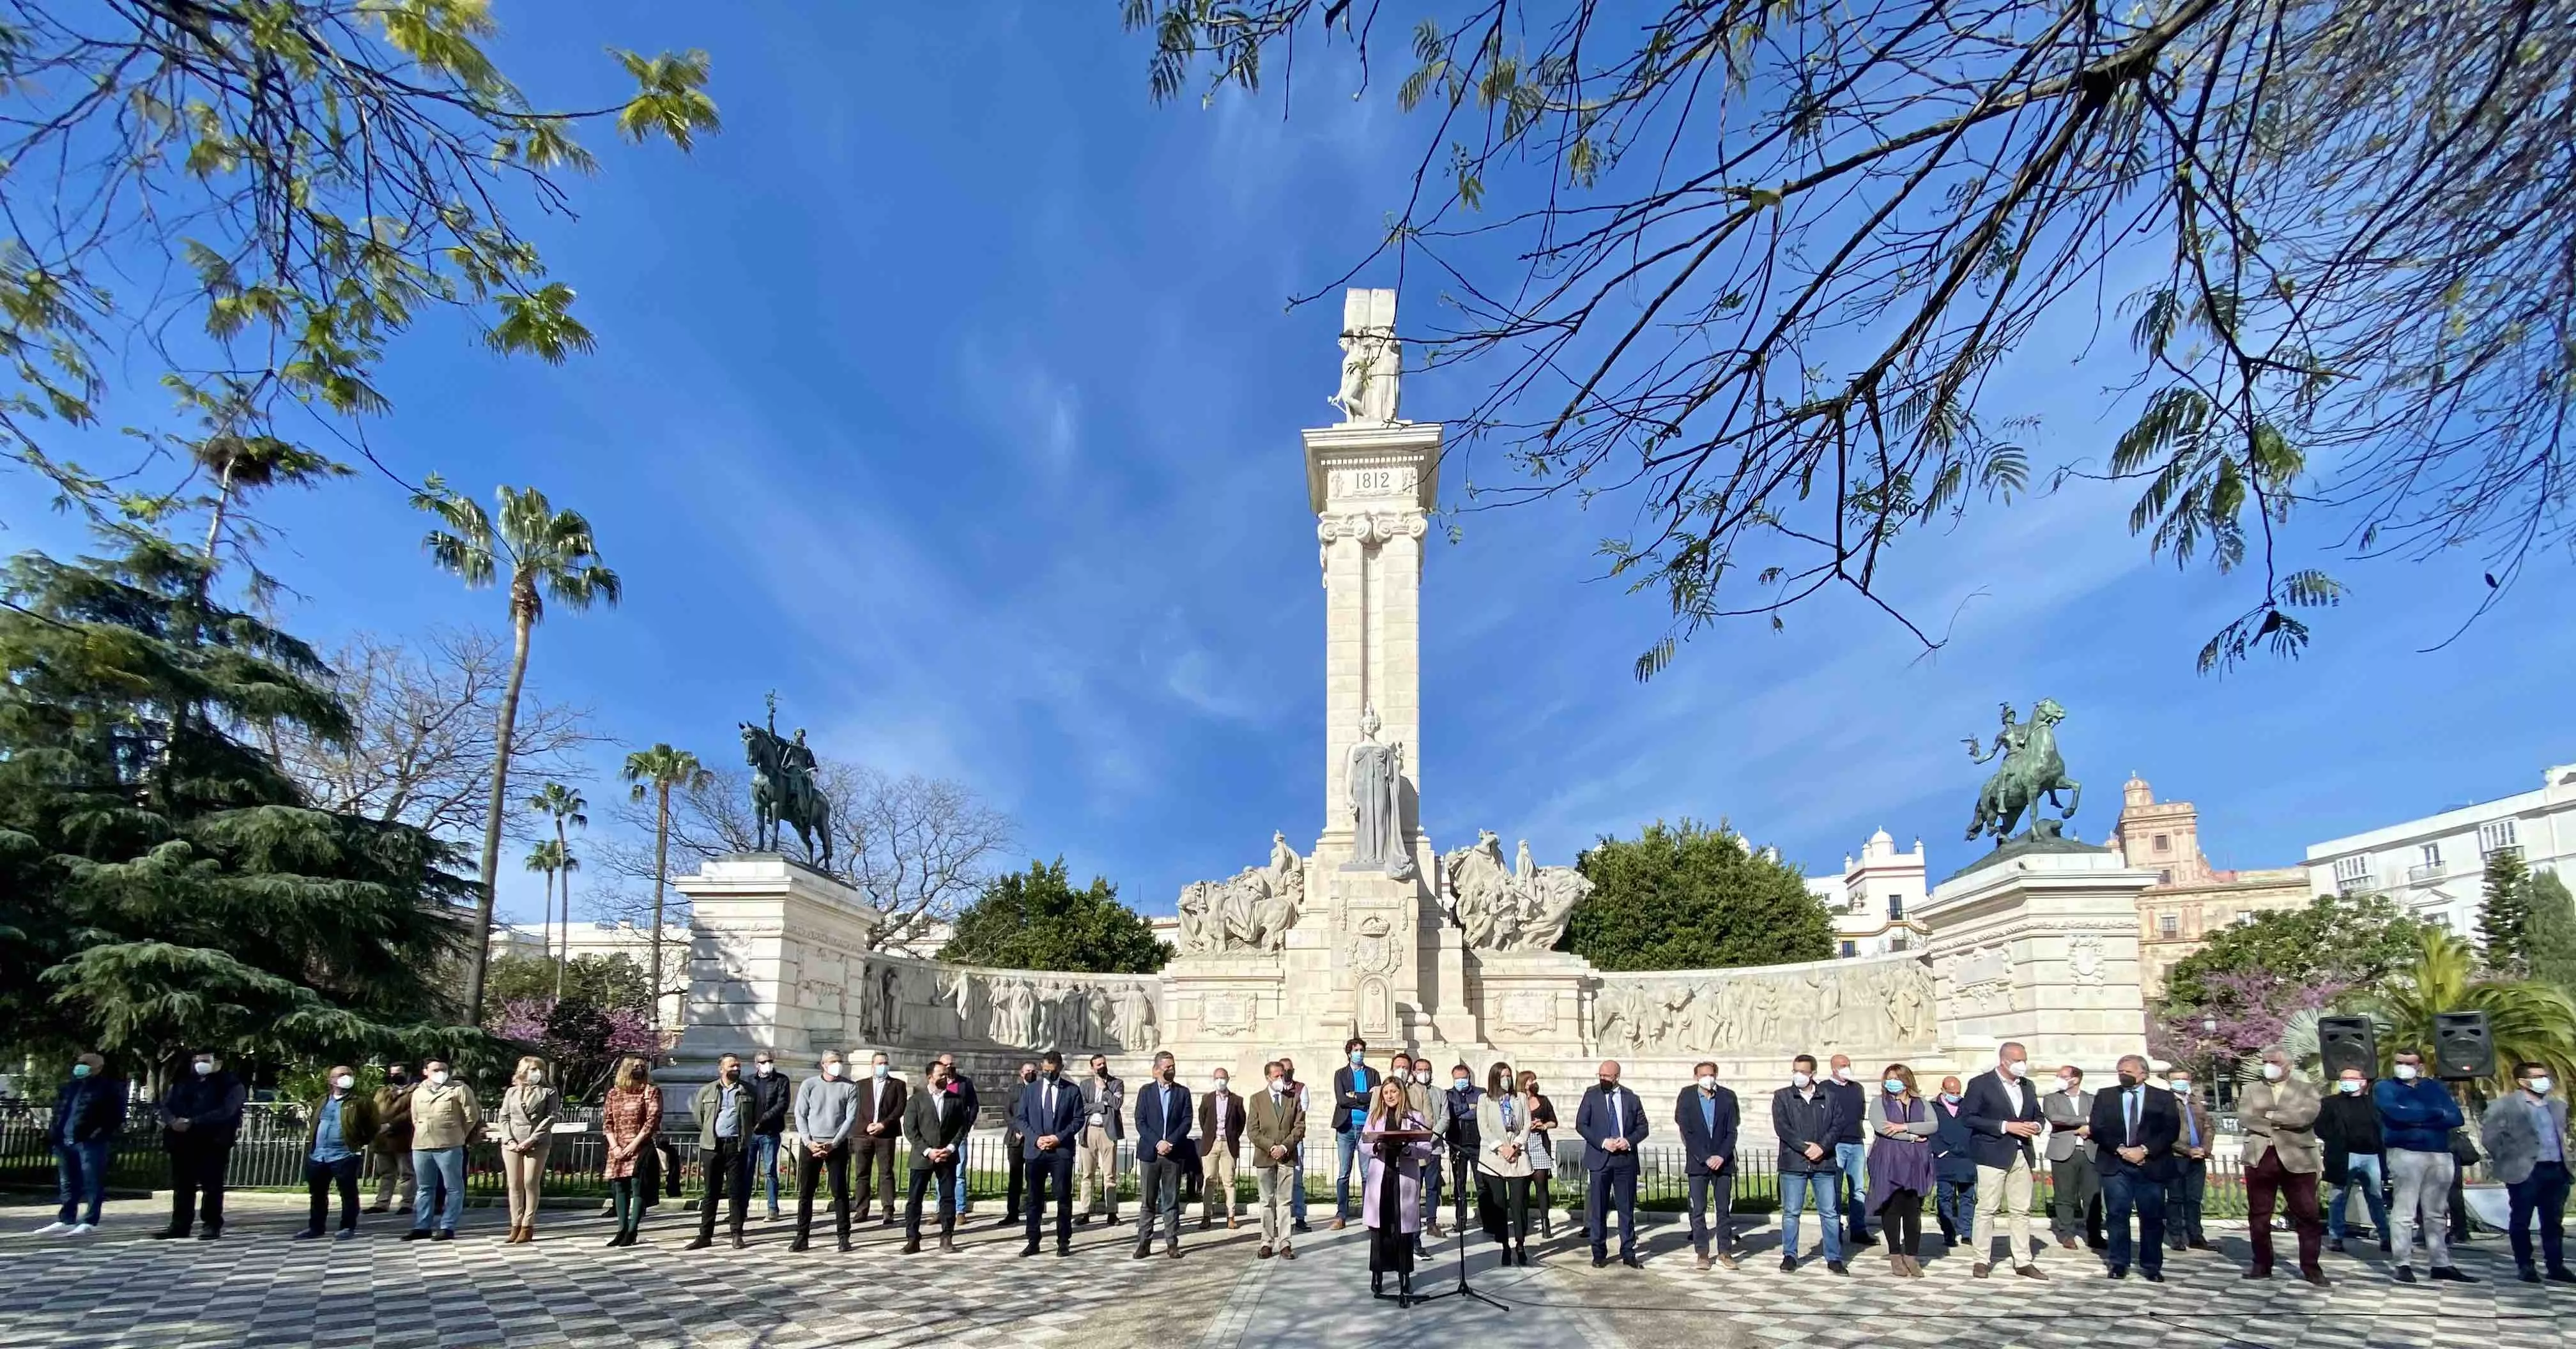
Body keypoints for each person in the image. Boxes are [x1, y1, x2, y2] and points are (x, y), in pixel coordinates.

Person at [2375, 1048, 2474, 1284]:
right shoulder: (2384, 1087)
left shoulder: (2434, 1087)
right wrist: (2434, 1114)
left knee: (2437, 1212)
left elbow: (2456, 1118)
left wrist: (2417, 1116)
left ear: (2419, 1065)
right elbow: (2395, 1114)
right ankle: (2402, 1263)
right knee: (2405, 1210)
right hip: (2405, 1153)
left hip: (2440, 1154)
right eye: (2399, 1062)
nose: (2403, 1066)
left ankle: (2440, 1263)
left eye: (2409, 1063)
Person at [2240, 1045, 2327, 1285]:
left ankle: (2311, 1267)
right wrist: (2281, 1118)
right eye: (2266, 1061)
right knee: (2259, 1214)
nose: (2268, 1065)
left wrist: (2268, 1116)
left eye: (2274, 1062)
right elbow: (2246, 1117)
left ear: (2288, 1065)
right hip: (2261, 1156)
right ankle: (2262, 1264)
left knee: (2308, 1215)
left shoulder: (2307, 1090)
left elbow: (2305, 1118)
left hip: (2298, 1158)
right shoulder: (2251, 1089)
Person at [1959, 1040, 2048, 1279]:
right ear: (2004, 1060)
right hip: (1992, 1153)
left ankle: (2023, 1260)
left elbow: (2038, 1114)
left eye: (2024, 1060)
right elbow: (1968, 1117)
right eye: (2018, 1061)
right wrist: (2005, 1126)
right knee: (1987, 1208)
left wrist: (2037, 1125)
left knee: (2021, 1210)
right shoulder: (1981, 1084)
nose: (2023, 1065)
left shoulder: (2028, 1086)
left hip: (2022, 1152)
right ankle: (1981, 1259)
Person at [2481, 1060, 2573, 1284]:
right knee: (2521, 1220)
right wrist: (2510, 1159)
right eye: (2538, 1077)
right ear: (2523, 1081)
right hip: (2525, 1171)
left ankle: (2556, 1266)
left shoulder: (2557, 1106)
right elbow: (2490, 1139)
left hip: (2556, 1169)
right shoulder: (2504, 1106)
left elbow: (2563, 1135)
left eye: (2545, 1076)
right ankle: (2525, 1266)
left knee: (2553, 1221)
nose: (2544, 1081)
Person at [2088, 1053, 2177, 1282]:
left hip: (2150, 1165)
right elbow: (2098, 1128)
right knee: (2117, 1215)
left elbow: (2170, 1131)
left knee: (2152, 1217)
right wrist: (2121, 1150)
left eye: (2128, 1071)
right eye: (2120, 1071)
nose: (2123, 1075)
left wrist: (2145, 1150)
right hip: (2116, 1163)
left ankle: (2151, 1265)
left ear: (2143, 1073)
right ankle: (2118, 1262)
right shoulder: (2106, 1096)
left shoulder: (2163, 1098)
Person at [155, 1049, 245, 1240]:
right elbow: (166, 1105)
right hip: (182, 1141)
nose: (199, 1064)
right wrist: (172, 1121)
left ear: (217, 1062)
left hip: (213, 1141)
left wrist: (193, 1122)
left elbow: (227, 1111)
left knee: (211, 1185)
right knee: (182, 1186)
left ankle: (211, 1224)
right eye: (196, 1061)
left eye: (205, 1060)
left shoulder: (229, 1084)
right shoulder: (184, 1082)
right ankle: (180, 1225)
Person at [1360, 1078, 1436, 1305]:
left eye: (1394, 1092)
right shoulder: (1375, 1116)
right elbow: (1363, 1144)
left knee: (1403, 1232)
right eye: (1386, 1093)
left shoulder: (1414, 1117)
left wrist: (1409, 1150)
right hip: (1382, 1177)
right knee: (1380, 1229)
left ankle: (1405, 1277)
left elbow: (1426, 1148)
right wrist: (1376, 1146)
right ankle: (1378, 1274)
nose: (1390, 1096)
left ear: (1401, 1093)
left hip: (1404, 1176)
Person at [1772, 1053, 1846, 1274]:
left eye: (1803, 1072)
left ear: (1813, 1073)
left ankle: (1834, 1257)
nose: (1798, 1075)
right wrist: (1805, 1148)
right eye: (1795, 1071)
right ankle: (1790, 1255)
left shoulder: (1829, 1096)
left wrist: (1822, 1148)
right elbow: (1783, 1128)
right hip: (1793, 1163)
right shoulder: (1783, 1096)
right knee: (1791, 1212)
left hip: (1823, 1163)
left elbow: (1838, 1125)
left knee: (1830, 1213)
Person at [37, 1053, 123, 1236]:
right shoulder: (69, 1087)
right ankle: (67, 1218)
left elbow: (115, 1116)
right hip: (64, 1140)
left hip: (89, 1142)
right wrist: (54, 1133)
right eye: (79, 1062)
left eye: (85, 1063)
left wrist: (96, 1134)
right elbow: (59, 1111)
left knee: (92, 1181)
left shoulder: (108, 1088)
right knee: (67, 1182)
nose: (80, 1066)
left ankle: (90, 1220)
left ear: (98, 1067)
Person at [1866, 1064, 1938, 1277]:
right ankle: (1895, 1255)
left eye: (1896, 1078)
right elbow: (1883, 1128)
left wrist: (1905, 1127)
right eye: (1888, 1078)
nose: (1891, 1082)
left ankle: (1912, 1256)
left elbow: (1933, 1125)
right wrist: (1912, 1136)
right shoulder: (1880, 1103)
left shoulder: (1921, 1103)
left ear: (1906, 1081)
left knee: (1913, 1210)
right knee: (1892, 1207)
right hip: (1890, 1160)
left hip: (1916, 1162)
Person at [1577, 1058, 1648, 1269]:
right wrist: (1602, 1142)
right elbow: (1581, 1124)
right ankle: (1598, 1252)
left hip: (1624, 1160)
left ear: (1616, 1077)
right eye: (1600, 1076)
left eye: (1606, 1076)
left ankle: (1628, 1251)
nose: (1602, 1079)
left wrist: (1628, 1141)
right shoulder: (1591, 1095)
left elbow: (1643, 1127)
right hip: (1600, 1159)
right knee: (1598, 1209)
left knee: (1626, 1209)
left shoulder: (1631, 1098)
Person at [400, 1057, 480, 1244]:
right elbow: (415, 1117)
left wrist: (459, 1135)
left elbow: (471, 1116)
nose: (441, 1072)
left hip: (449, 1144)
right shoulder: (418, 1091)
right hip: (422, 1144)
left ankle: (447, 1226)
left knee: (453, 1187)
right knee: (425, 1187)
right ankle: (422, 1226)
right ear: (425, 1072)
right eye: (436, 1069)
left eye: (444, 1069)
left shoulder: (459, 1089)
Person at [1016, 1049, 1084, 1257]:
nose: (1048, 1075)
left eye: (1052, 1072)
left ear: (1061, 1069)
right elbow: (1021, 1118)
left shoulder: (1071, 1091)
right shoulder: (1031, 1090)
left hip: (1060, 1151)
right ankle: (1033, 1240)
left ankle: (1063, 1241)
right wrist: (1036, 1138)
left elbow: (1078, 1120)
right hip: (1036, 1151)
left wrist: (1058, 1138)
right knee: (1034, 1199)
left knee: (1063, 1197)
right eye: (1045, 1071)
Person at [297, 1065, 378, 1241]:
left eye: (349, 1074)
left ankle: (347, 1227)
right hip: (318, 1155)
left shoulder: (361, 1102)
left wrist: (359, 1143)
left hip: (344, 1155)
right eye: (341, 1075)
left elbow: (373, 1126)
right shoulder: (322, 1100)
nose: (346, 1077)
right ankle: (316, 1227)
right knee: (317, 1194)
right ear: (331, 1080)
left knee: (348, 1193)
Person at [2318, 1063, 2391, 1254]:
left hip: (2371, 1156)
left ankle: (2385, 1236)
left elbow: (2382, 1128)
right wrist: (2336, 1140)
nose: (2346, 1083)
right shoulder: (2330, 1103)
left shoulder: (2374, 1104)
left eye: (2351, 1080)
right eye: (2344, 1080)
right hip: (2344, 1156)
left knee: (2375, 1198)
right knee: (2338, 1198)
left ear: (2363, 1082)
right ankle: (2336, 1237)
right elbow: (2320, 1127)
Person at [790, 1049, 859, 1252]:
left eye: (839, 1061)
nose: (837, 1064)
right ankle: (802, 1236)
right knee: (806, 1193)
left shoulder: (850, 1086)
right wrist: (808, 1141)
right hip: (811, 1145)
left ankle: (844, 1236)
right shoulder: (809, 1085)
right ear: (823, 1064)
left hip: (836, 1146)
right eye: (832, 1061)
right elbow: (800, 1114)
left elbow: (851, 1118)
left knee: (840, 1192)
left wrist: (835, 1143)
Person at [1673, 1060, 1739, 1271]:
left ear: (1716, 1074)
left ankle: (1725, 1252)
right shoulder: (1687, 1096)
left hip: (1723, 1162)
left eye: (1711, 1074)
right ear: (1696, 1077)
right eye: (1703, 1075)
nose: (1707, 1078)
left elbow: (1732, 1131)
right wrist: (1704, 1157)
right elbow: (1686, 1131)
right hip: (1698, 1162)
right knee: (1698, 1210)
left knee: (1723, 1210)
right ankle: (1702, 1253)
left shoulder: (1728, 1097)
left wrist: (1721, 1155)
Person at [903, 1056, 972, 1253]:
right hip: (922, 1157)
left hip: (947, 1156)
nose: (945, 1077)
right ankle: (913, 1238)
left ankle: (947, 1236)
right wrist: (928, 1151)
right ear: (930, 1077)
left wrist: (950, 1148)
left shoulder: (955, 1100)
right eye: (941, 1074)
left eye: (946, 1074)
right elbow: (910, 1129)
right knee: (915, 1199)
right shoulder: (916, 1100)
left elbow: (961, 1127)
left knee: (948, 1198)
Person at [1133, 1049, 1196, 1259]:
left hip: (1173, 1153)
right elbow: (1140, 1121)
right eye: (1167, 1067)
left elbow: (1187, 1121)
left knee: (1171, 1201)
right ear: (1158, 1069)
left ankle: (1172, 1242)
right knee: (1148, 1201)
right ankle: (1144, 1242)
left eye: (1173, 1066)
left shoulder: (1182, 1093)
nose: (1171, 1070)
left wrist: (1170, 1142)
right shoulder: (1146, 1091)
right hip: (1150, 1154)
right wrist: (1157, 1142)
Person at [689, 1055, 755, 1251]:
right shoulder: (708, 1090)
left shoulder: (747, 1090)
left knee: (736, 1192)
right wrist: (712, 1132)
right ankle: (705, 1235)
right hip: (712, 1146)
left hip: (736, 1146)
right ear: (721, 1069)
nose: (736, 1069)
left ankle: (737, 1233)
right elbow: (699, 1116)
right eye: (732, 1066)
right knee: (711, 1192)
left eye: (738, 1066)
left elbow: (755, 1115)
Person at [1473, 1060, 1536, 1265]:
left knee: (1518, 1204)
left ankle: (1520, 1243)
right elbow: (1484, 1128)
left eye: (1509, 1075)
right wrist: (1502, 1148)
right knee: (1499, 1204)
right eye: (1502, 1076)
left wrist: (1516, 1146)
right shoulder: (1484, 1099)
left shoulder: (1521, 1098)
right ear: (1494, 1078)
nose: (1506, 1080)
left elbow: (1526, 1124)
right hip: (1494, 1158)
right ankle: (1504, 1246)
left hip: (1517, 1156)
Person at [497, 1056, 562, 1245]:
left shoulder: (549, 1092)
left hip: (536, 1142)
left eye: (540, 1070)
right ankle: (515, 1224)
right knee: (514, 1184)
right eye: (533, 1069)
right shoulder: (511, 1092)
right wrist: (508, 1139)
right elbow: (504, 1117)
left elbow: (550, 1118)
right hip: (512, 1142)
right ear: (523, 1070)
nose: (537, 1073)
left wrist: (532, 1139)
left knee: (529, 1182)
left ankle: (528, 1224)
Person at [599, 1055, 662, 1247]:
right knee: (620, 1187)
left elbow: (652, 1121)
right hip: (617, 1147)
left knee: (638, 1187)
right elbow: (608, 1122)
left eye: (643, 1067)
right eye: (636, 1067)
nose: (640, 1070)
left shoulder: (651, 1092)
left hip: (640, 1146)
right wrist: (615, 1146)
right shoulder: (614, 1093)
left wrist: (633, 1145)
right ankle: (621, 1228)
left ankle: (632, 1230)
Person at [1247, 1058, 1307, 1259]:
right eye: (1277, 1076)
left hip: (1287, 1156)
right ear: (1268, 1078)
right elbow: (1253, 1131)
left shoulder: (1294, 1098)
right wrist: (1271, 1146)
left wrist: (1284, 1147)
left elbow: (1299, 1127)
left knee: (1284, 1202)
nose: (1281, 1079)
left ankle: (1285, 1243)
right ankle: (1266, 1242)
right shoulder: (1257, 1099)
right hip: (1265, 1157)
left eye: (1283, 1075)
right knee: (1266, 1201)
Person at [2042, 1063, 2103, 1251]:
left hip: (2090, 1152)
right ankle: (2067, 1233)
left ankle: (2094, 1235)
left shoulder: (2092, 1099)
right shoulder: (2051, 1098)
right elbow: (2055, 1118)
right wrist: (2084, 1122)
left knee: (2092, 1197)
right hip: (2063, 1152)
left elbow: (2101, 1119)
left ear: (2075, 1079)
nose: (2058, 1078)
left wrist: (2090, 1128)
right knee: (2064, 1195)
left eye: (2062, 1076)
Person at [1824, 1053, 1874, 1247]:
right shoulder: (1825, 1088)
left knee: (1858, 1189)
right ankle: (1833, 1230)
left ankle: (1859, 1229)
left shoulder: (1857, 1088)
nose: (1847, 1068)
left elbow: (1860, 1112)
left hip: (1855, 1141)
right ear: (1834, 1068)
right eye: (1843, 1065)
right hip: (1835, 1144)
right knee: (1833, 1188)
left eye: (1848, 1065)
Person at [2163, 1067, 2216, 1253]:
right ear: (2169, 1081)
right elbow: (2164, 1132)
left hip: (2198, 1158)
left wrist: (2205, 1149)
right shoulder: (2165, 1102)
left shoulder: (2195, 1102)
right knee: (2176, 1198)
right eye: (2176, 1079)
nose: (2181, 1082)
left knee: (2194, 1199)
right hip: (2176, 1157)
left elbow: (2209, 1126)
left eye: (2184, 1079)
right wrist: (2187, 1150)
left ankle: (2196, 1236)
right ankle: (2176, 1236)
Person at [852, 1050, 907, 1228]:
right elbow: (855, 1108)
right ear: (872, 1065)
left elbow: (899, 1108)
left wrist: (884, 1124)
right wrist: (866, 1125)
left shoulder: (897, 1084)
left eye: (885, 1063)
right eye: (879, 1063)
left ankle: (888, 1210)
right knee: (862, 1173)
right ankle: (861, 1209)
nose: (882, 1066)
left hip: (886, 1134)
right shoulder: (860, 1085)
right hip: (863, 1134)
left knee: (886, 1172)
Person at [1331, 1037, 1377, 1228]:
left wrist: (1356, 1096)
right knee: (1344, 1173)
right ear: (1349, 1053)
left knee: (1367, 1174)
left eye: (1362, 1050)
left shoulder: (1373, 1073)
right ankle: (1341, 1215)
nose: (1360, 1053)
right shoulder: (1340, 1074)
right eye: (1356, 1050)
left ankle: (1369, 1215)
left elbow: (1376, 1098)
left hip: (1367, 1127)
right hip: (1346, 1127)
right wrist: (1364, 1098)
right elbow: (1342, 1099)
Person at [1077, 1052, 1126, 1227]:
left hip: (1108, 1132)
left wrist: (1105, 1090)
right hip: (1089, 1130)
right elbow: (1081, 1108)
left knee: (1110, 1174)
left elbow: (1117, 1104)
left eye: (1104, 1063)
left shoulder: (1116, 1083)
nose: (1102, 1066)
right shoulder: (1084, 1085)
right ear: (1092, 1068)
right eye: (1098, 1065)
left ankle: (1112, 1212)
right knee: (1087, 1174)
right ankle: (1085, 1212)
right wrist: (1102, 1106)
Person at [1929, 1075, 1977, 1249]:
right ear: (1943, 1090)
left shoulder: (1967, 1106)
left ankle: (1967, 1232)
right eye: (1951, 1092)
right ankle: (1948, 1233)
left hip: (1966, 1158)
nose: (1955, 1095)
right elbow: (1930, 1130)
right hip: (1945, 1158)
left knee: (1968, 1196)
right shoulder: (1933, 1107)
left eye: (1958, 1092)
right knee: (1945, 1196)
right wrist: (1941, 1151)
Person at [747, 1049, 793, 1221]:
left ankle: (773, 1208)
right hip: (751, 1133)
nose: (768, 1064)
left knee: (770, 1172)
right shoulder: (750, 1081)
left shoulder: (781, 1080)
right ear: (756, 1064)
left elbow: (782, 1105)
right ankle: (740, 1209)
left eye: (770, 1061)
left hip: (770, 1132)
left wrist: (762, 1120)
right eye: (764, 1061)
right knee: (746, 1171)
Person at [365, 1062, 415, 1214]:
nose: (395, 1077)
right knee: (386, 1173)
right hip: (382, 1139)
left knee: (406, 1173)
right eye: (392, 1074)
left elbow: (412, 1112)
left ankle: (406, 1203)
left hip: (403, 1138)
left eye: (398, 1073)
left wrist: (391, 1124)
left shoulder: (415, 1092)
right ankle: (382, 1203)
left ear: (407, 1074)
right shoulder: (383, 1091)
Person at [1199, 1064, 1244, 1230]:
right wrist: (1211, 1135)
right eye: (1217, 1078)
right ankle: (1206, 1215)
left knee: (1229, 1181)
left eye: (1223, 1078)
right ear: (1213, 1080)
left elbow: (1241, 1123)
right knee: (1209, 1179)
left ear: (1228, 1079)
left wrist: (1231, 1136)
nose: (1220, 1081)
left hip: (1229, 1144)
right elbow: (1203, 1119)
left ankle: (1231, 1216)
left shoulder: (1237, 1100)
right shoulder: (1207, 1099)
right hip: (1211, 1144)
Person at [1443, 1061, 1482, 1245]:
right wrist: (1467, 1108)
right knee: (1459, 1185)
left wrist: (1464, 1112)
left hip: (1477, 1143)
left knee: (1482, 1183)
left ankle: (1486, 1218)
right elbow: (1449, 1114)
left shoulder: (1480, 1093)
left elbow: (1480, 1113)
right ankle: (1461, 1220)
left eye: (1463, 1078)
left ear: (1469, 1078)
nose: (1461, 1082)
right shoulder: (1448, 1095)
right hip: (1456, 1144)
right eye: (1457, 1079)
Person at [935, 1051, 977, 1218]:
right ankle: (941, 1209)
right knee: (940, 1173)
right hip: (940, 1135)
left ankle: (960, 1210)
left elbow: (974, 1105)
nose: (949, 1068)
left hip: (959, 1134)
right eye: (945, 1065)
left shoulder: (964, 1083)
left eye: (951, 1065)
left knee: (959, 1173)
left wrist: (967, 1125)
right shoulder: (938, 1085)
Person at [1520, 1069, 1558, 1238]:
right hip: (1522, 1145)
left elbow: (1553, 1121)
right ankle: (1524, 1223)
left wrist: (1542, 1125)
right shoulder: (1517, 1100)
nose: (1533, 1083)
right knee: (1523, 1188)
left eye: (1534, 1080)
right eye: (1530, 1080)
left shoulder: (1543, 1100)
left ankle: (1545, 1222)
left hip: (1539, 1144)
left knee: (1541, 1186)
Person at [1278, 1055, 1312, 1233]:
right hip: (1278, 1142)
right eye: (1284, 1070)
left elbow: (1301, 1113)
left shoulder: (1301, 1088)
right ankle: (1280, 1219)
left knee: (1297, 1180)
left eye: (1290, 1070)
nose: (1288, 1073)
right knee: (1279, 1181)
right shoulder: (1274, 1090)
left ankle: (1300, 1217)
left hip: (1295, 1140)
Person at [1002, 1061, 1038, 1225]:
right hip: (1015, 1139)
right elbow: (1007, 1112)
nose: (1030, 1073)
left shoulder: (1040, 1089)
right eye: (1027, 1071)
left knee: (1034, 1178)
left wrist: (1030, 1132)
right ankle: (1012, 1213)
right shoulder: (1014, 1090)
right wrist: (1017, 1129)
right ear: (1021, 1073)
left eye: (1033, 1071)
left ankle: (1034, 1212)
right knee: (1015, 1178)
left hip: (1032, 1140)